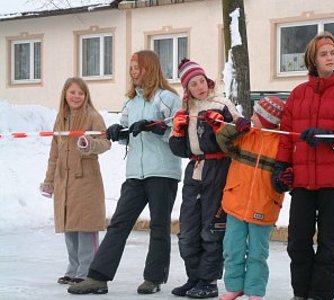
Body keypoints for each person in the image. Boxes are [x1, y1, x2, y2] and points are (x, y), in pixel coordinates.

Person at [68, 50, 182, 295]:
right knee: (119, 223)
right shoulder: (131, 101)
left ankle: (154, 278)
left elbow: (178, 134)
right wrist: (118, 132)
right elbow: (129, 133)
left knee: (159, 226)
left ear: (149, 68)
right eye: (131, 68)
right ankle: (98, 277)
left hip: (162, 172)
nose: (133, 72)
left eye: (137, 67)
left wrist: (157, 129)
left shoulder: (168, 99)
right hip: (135, 174)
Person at [272, 31, 334, 300]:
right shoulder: (298, 95)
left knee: (328, 245)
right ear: (312, 60)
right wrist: (281, 166)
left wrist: (328, 136)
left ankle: (321, 295)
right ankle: (300, 293)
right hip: (303, 181)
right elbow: (286, 135)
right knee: (298, 242)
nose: (330, 58)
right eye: (324, 54)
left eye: (333, 53)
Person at [169, 58, 240, 298]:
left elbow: (241, 134)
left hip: (218, 169)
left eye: (201, 81)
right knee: (188, 230)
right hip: (194, 171)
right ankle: (194, 277)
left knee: (211, 228)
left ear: (208, 81)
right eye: (193, 84)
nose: (199, 87)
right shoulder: (184, 112)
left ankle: (208, 281)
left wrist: (224, 127)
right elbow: (179, 150)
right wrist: (177, 132)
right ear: (187, 89)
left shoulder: (222, 104)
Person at [214, 96, 291, 300]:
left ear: (267, 119)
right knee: (232, 248)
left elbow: (288, 174)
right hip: (235, 202)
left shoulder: (281, 144)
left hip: (264, 206)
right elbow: (222, 140)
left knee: (257, 253)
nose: (252, 117)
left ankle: (255, 291)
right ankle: (234, 286)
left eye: (257, 114)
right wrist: (234, 128)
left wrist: (286, 179)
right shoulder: (246, 134)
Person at [40, 77, 111, 285]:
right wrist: (49, 180)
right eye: (72, 92)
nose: (76, 96)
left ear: (86, 95)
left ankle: (87, 270)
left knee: (85, 227)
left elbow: (105, 142)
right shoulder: (60, 118)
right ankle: (73, 268)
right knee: (70, 227)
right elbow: (54, 153)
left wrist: (90, 144)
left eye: (80, 93)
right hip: (65, 180)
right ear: (65, 94)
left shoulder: (93, 116)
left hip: (86, 180)